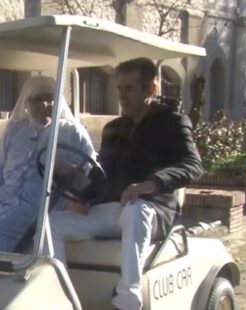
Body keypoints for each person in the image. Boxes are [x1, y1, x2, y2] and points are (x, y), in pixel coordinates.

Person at [48, 58, 203, 310]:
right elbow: (102, 176)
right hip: (112, 209)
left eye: (129, 89)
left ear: (150, 90)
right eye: (119, 89)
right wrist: (83, 196)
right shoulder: (113, 129)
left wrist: (149, 184)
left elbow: (193, 165)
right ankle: (61, 295)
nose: (122, 95)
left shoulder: (172, 123)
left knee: (135, 208)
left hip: (153, 209)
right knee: (50, 222)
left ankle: (128, 299)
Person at [0, 76, 95, 253]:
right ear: (26, 104)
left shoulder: (72, 132)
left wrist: (76, 199)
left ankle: (1, 278)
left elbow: (88, 173)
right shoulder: (14, 131)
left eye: (49, 99)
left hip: (41, 203)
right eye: (37, 99)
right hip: (4, 198)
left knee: (2, 229)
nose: (44, 104)